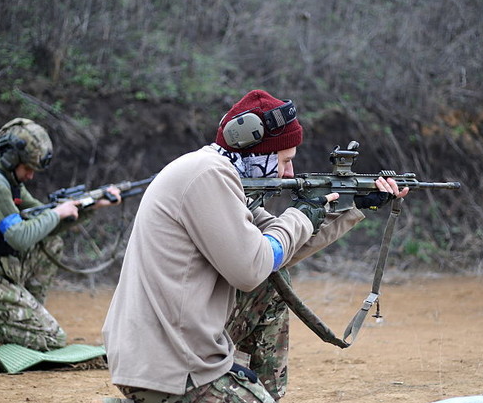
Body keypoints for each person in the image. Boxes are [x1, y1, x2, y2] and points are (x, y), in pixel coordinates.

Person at [101, 90, 409, 402]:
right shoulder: (208, 174)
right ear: (255, 150)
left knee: (274, 284)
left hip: (170, 349)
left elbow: (278, 249)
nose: (288, 172)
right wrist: (300, 216)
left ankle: (254, 390)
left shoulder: (220, 176)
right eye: (284, 160)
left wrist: (355, 209)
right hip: (166, 365)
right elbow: (252, 267)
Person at [0, 117, 121, 351]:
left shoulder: (8, 182)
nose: (30, 176)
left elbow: (45, 225)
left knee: (53, 241)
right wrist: (58, 213)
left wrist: (92, 206)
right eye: (28, 168)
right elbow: (19, 237)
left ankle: (26, 317)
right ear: (11, 158)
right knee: (52, 339)